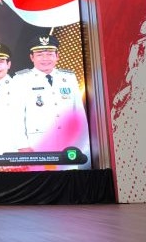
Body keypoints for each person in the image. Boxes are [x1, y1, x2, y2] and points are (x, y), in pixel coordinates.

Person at [12, 34, 90, 164]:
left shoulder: (68, 78)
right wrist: (22, 145)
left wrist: (83, 142)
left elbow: (78, 113)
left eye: (49, 54)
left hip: (68, 142)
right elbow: (16, 116)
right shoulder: (21, 79)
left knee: (69, 175)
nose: (45, 59)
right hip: (37, 144)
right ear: (32, 57)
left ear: (57, 56)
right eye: (40, 54)